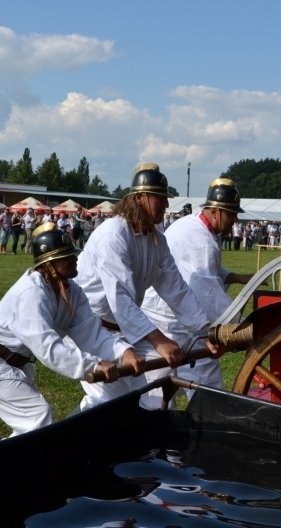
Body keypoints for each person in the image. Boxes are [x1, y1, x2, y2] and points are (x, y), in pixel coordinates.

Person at [0, 223, 144, 437]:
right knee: (36, 418)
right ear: (49, 264)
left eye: (72, 253)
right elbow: (48, 348)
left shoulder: (73, 292)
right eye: (66, 257)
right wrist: (93, 365)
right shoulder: (31, 293)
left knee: (31, 425)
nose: (74, 259)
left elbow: (91, 333)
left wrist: (123, 352)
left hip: (15, 362)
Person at [73, 163, 224, 411]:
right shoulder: (114, 235)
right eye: (159, 198)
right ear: (140, 198)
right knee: (110, 404)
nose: (166, 204)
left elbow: (177, 290)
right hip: (92, 330)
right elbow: (120, 299)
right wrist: (159, 340)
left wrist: (204, 332)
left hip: (123, 330)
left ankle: (155, 430)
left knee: (158, 377)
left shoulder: (156, 240)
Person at [142, 178, 255, 399]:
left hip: (163, 313)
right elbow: (208, 294)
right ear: (215, 211)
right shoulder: (201, 241)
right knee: (206, 382)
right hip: (172, 320)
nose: (235, 219)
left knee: (156, 391)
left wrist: (236, 277)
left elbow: (199, 270)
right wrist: (245, 328)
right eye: (231, 213)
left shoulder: (194, 224)